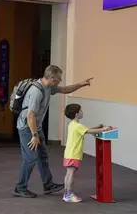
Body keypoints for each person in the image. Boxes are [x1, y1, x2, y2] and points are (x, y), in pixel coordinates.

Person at [13, 65, 93, 198]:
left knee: (42, 156)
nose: (60, 80)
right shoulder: (36, 92)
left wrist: (81, 84)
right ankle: (20, 187)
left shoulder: (49, 87)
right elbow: (30, 115)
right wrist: (34, 135)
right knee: (30, 158)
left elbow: (65, 89)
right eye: (59, 78)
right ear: (51, 78)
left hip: (35, 127)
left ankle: (48, 184)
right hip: (27, 128)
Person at [62, 103, 110, 203]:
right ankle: (69, 195)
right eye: (81, 111)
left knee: (68, 174)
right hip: (74, 154)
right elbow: (88, 131)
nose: (82, 112)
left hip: (69, 153)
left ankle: (66, 194)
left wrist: (97, 127)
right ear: (76, 114)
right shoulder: (77, 125)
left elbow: (86, 130)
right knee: (71, 174)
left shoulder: (73, 124)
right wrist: (103, 129)